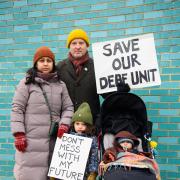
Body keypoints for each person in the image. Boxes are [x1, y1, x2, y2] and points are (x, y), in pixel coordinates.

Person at [11, 46, 74, 180]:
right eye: (42, 61)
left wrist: (64, 124)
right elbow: (17, 108)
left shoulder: (61, 85)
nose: (45, 63)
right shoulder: (26, 83)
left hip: (53, 141)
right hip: (30, 143)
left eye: (49, 61)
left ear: (53, 63)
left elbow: (68, 107)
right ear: (36, 64)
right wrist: (19, 134)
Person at [56, 29, 103, 131]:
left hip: (90, 125)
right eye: (74, 43)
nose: (78, 47)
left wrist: (119, 89)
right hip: (66, 126)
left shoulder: (97, 66)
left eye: (81, 43)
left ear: (87, 46)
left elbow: (109, 94)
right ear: (69, 46)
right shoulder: (60, 67)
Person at [70, 102, 98, 180]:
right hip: (69, 172)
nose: (80, 127)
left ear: (88, 126)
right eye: (77, 124)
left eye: (83, 124)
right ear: (73, 124)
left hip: (85, 173)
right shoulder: (69, 137)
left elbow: (94, 156)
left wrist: (93, 172)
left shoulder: (92, 139)